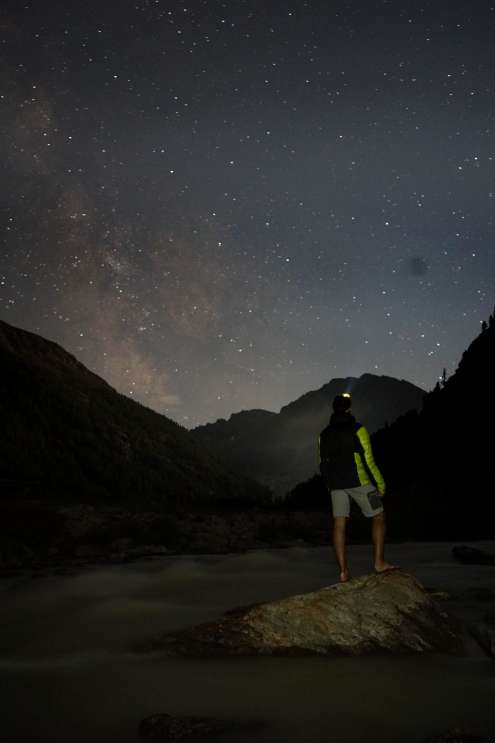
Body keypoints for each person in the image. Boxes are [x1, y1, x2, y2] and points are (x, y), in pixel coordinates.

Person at [318, 393, 398, 582]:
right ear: (349, 409)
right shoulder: (358, 429)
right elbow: (369, 461)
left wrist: (330, 485)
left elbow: (323, 464)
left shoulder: (323, 435)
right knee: (378, 515)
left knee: (339, 524)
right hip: (360, 482)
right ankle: (379, 563)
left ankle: (344, 572)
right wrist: (381, 484)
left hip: (336, 485)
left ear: (333, 409)